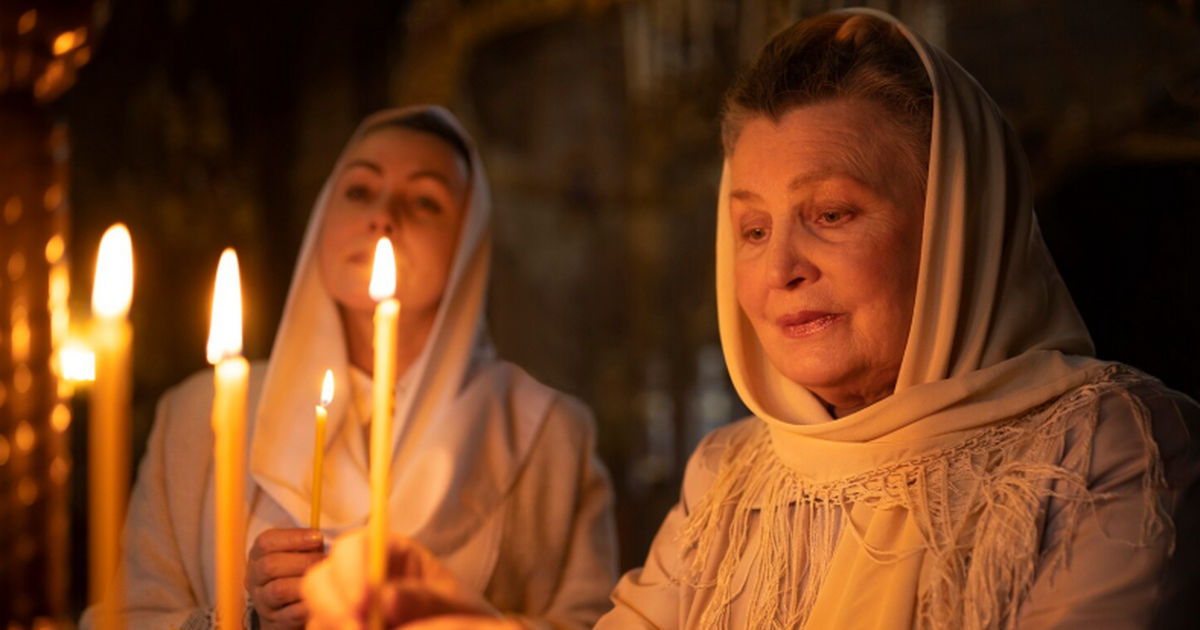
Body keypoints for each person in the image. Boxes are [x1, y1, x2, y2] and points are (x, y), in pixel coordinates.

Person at [593, 9, 1200, 630]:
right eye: (753, 229)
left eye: (831, 214)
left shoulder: (1111, 444)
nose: (780, 269)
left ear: (953, 232)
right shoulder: (726, 474)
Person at [80, 106, 619, 630]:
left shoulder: (546, 434)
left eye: (426, 201)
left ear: (469, 246)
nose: (384, 215)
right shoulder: (200, 417)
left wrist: (442, 617)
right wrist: (250, 621)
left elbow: (597, 625)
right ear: (322, 219)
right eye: (360, 190)